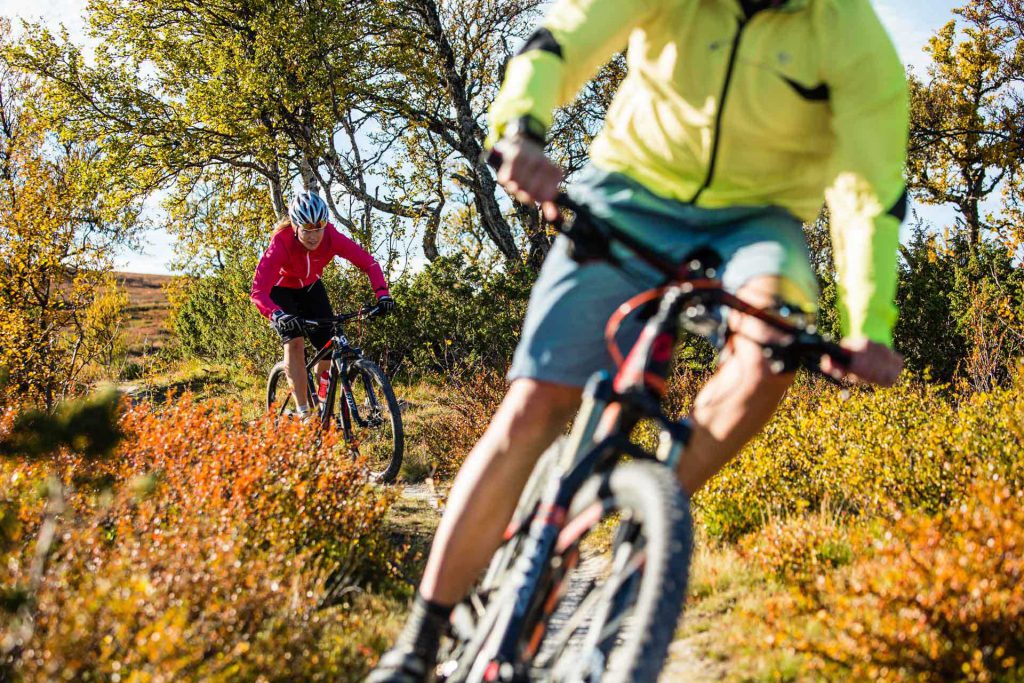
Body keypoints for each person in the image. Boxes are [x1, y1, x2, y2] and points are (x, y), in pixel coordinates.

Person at [369, 0, 907, 678]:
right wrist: (521, 130)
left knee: (772, 346)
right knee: (537, 405)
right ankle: (417, 644)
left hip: (758, 220)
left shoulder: (851, 34)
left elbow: (868, 189)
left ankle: (649, 512)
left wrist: (868, 324)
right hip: (632, 184)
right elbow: (567, 34)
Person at [251, 191, 395, 419]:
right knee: (295, 342)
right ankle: (304, 412)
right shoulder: (281, 243)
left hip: (310, 288)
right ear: (295, 226)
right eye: (307, 229)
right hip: (280, 291)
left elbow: (369, 263)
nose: (313, 235)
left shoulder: (331, 237)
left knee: (327, 348)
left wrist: (383, 295)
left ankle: (322, 406)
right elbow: (258, 291)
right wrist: (276, 315)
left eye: (318, 228)